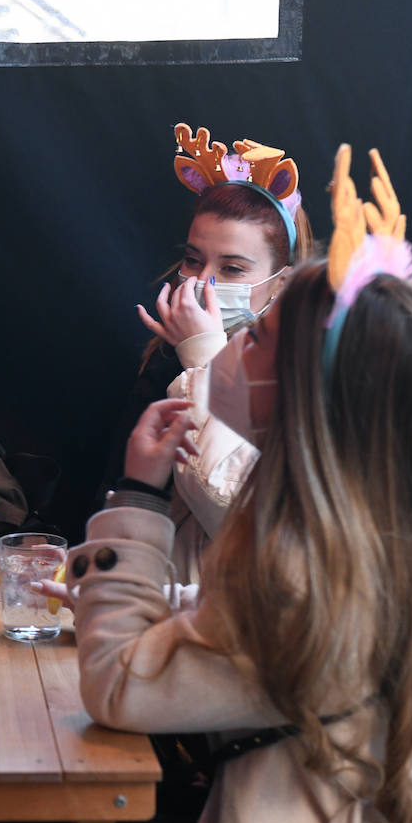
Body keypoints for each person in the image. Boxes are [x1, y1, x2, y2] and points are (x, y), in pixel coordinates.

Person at [70, 145, 412, 823]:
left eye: (257, 335)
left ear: (296, 389)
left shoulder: (305, 579)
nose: (237, 339)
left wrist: (136, 493)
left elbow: (118, 684)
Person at [114, 123, 315, 583]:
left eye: (232, 268)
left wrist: (204, 359)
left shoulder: (306, 376)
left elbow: (237, 515)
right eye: (193, 260)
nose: (202, 281)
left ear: (279, 284)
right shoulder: (163, 359)